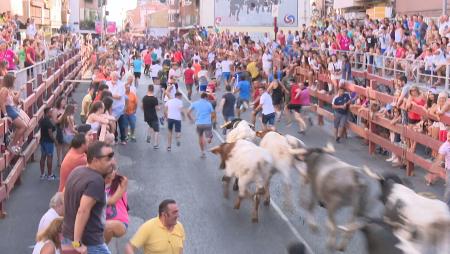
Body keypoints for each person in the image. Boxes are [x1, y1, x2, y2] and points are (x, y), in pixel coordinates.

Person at [62, 141, 115, 254]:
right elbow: (83, 210)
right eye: (108, 159)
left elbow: (64, 196)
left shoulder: (77, 171)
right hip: (90, 242)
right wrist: (77, 243)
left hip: (68, 234)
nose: (112, 162)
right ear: (95, 160)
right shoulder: (96, 180)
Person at [0, 73, 27, 154]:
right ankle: (12, 144)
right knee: (23, 126)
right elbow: (2, 103)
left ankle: (13, 143)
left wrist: (20, 91)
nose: (14, 83)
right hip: (9, 110)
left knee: (24, 126)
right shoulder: (4, 90)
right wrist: (5, 115)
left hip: (12, 109)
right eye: (14, 81)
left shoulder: (8, 89)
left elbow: (15, 99)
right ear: (10, 81)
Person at [104, 167, 129, 244]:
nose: (113, 172)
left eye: (114, 170)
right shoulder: (96, 181)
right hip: (100, 220)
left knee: (107, 226)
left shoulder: (121, 181)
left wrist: (93, 200)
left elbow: (112, 200)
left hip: (120, 222)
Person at [188, 92, 214, 158]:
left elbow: (188, 112)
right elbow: (213, 114)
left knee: (200, 137)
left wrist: (191, 119)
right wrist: (211, 119)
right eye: (207, 97)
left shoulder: (195, 103)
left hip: (199, 123)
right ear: (205, 97)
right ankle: (209, 138)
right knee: (209, 136)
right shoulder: (208, 104)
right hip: (207, 123)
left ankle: (202, 152)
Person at [107, 71, 127, 145]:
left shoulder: (121, 84)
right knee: (113, 124)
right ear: (111, 77)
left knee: (122, 125)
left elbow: (119, 97)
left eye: (116, 76)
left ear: (118, 77)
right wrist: (111, 95)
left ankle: (123, 139)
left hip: (119, 108)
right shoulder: (107, 83)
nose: (115, 78)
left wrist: (109, 94)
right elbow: (106, 94)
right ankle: (115, 138)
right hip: (111, 108)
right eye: (113, 76)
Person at [432, 131, 450, 207]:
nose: (449, 138)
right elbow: (439, 160)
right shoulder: (445, 147)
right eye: (448, 136)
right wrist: (435, 173)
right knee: (449, 190)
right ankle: (445, 207)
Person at [39, 107, 56, 180]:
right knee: (50, 157)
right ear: (47, 113)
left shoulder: (42, 120)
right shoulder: (48, 122)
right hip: (48, 142)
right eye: (50, 112)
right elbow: (50, 134)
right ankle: (50, 175)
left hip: (42, 140)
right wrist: (55, 141)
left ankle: (42, 174)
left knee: (43, 156)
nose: (52, 113)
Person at [142, 85, 160, 149]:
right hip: (153, 116)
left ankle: (148, 136)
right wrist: (159, 107)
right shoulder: (154, 99)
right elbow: (157, 108)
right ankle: (155, 144)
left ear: (148, 89)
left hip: (146, 116)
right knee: (156, 130)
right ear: (153, 90)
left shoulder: (144, 98)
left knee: (150, 126)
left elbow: (142, 107)